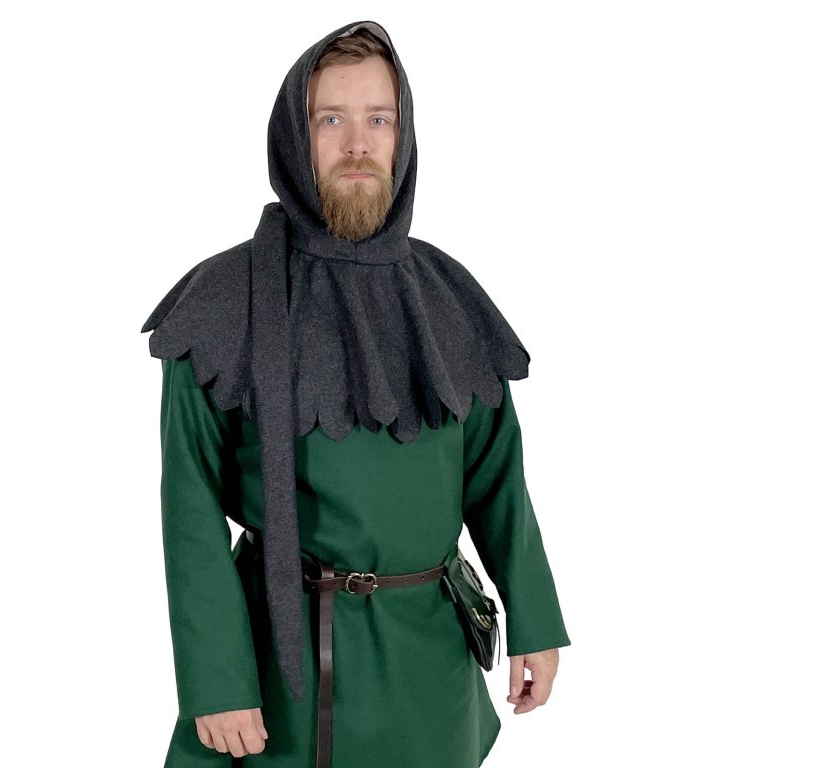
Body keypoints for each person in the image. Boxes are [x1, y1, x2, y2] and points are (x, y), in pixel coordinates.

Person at [141, 20, 571, 768]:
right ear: (294, 137)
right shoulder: (221, 303)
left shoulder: (448, 297)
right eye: (330, 120)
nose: (357, 145)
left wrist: (533, 617)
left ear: (403, 137)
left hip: (431, 668)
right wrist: (217, 682)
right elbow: (190, 510)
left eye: (379, 120)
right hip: (287, 673)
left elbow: (497, 476)